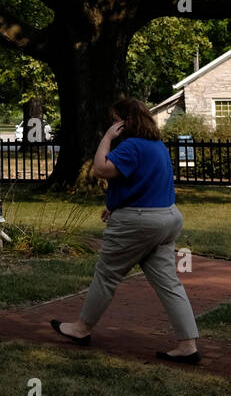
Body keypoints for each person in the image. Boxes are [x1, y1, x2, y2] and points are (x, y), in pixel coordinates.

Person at [51, 97, 200, 363]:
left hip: (139, 223)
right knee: (169, 283)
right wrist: (116, 204)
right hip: (167, 218)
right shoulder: (157, 146)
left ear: (125, 122)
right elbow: (143, 184)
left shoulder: (131, 146)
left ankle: (82, 329)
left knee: (107, 275)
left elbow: (100, 168)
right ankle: (188, 345)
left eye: (115, 120)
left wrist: (106, 137)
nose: (112, 123)